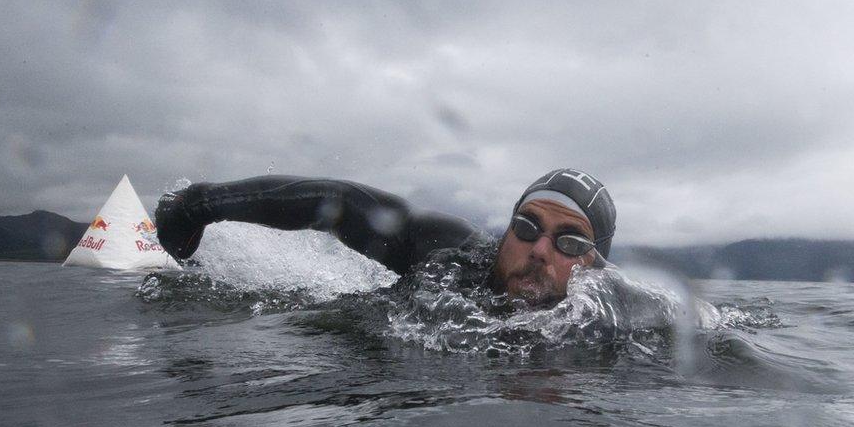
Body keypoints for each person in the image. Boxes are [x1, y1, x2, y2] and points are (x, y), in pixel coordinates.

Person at [155, 169, 616, 308]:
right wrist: (199, 206)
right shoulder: (450, 254)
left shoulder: (616, 319)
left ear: (594, 265)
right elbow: (339, 202)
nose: (538, 250)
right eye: (527, 227)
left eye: (569, 243)